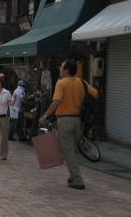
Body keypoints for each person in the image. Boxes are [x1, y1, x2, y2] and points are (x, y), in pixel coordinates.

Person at [39, 60, 98, 189]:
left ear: (66, 70)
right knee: (73, 150)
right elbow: (95, 93)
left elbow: (56, 102)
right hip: (78, 121)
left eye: (61, 67)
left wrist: (44, 116)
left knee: (68, 151)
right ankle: (73, 175)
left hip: (65, 120)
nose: (60, 69)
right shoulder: (81, 82)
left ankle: (77, 179)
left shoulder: (61, 83)